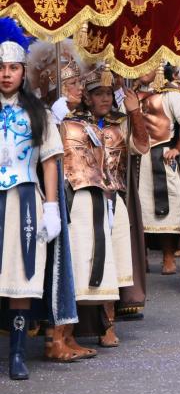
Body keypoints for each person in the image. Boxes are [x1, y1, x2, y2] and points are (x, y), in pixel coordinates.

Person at [0, 19, 72, 376]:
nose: (6, 74)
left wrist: (51, 207)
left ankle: (16, 355)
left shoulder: (38, 114)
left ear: (23, 71)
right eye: (0, 67)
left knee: (20, 274)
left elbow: (50, 161)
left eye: (13, 67)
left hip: (25, 200)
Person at [65, 65, 148, 350]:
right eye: (97, 93)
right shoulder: (70, 122)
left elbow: (142, 146)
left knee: (114, 262)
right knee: (82, 261)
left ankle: (108, 325)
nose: (103, 99)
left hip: (114, 200)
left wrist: (135, 111)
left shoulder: (119, 123)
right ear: (87, 97)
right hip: (84, 201)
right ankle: (70, 329)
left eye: (106, 94)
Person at [133, 65, 180, 274]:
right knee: (140, 208)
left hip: (163, 154)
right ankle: (141, 256)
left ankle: (169, 256)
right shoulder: (132, 94)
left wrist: (177, 148)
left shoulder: (171, 96)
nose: (141, 71)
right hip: (138, 156)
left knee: (169, 206)